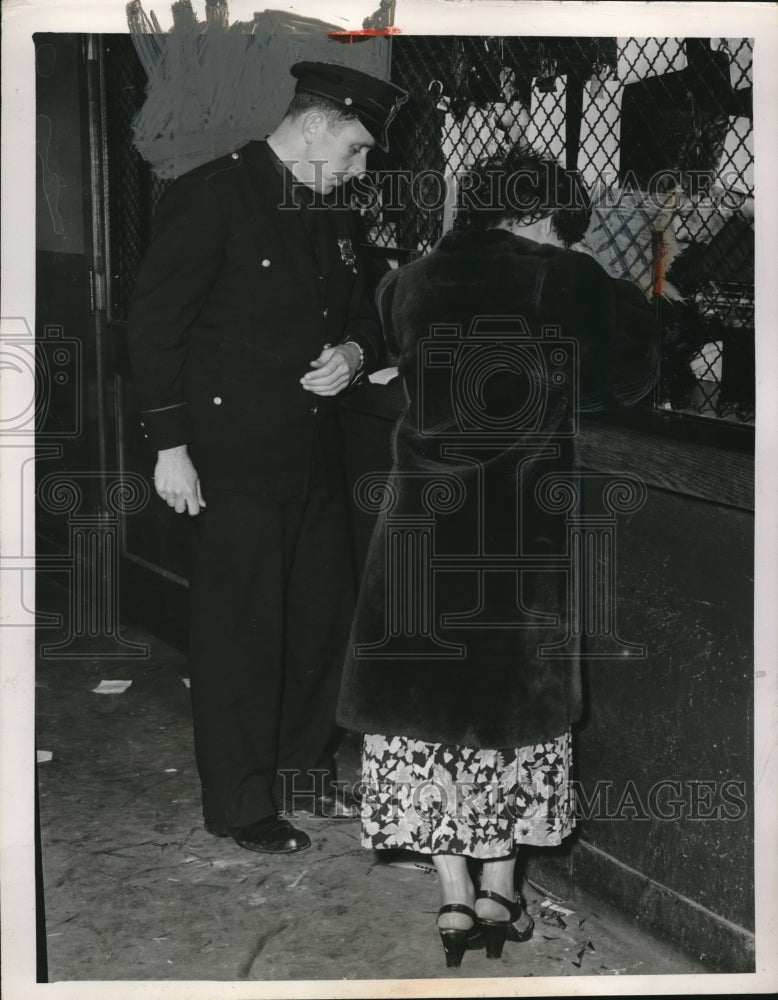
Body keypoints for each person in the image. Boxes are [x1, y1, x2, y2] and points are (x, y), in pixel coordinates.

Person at [337, 146, 659, 966]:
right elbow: (627, 380)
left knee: (426, 715)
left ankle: (451, 901)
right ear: (540, 215)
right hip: (515, 537)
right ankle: (499, 891)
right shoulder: (562, 277)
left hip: (418, 529)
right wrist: (605, 281)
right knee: (507, 715)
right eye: (560, 224)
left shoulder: (405, 280)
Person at [127, 62, 407, 855]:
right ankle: (241, 803)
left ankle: (299, 772)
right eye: (354, 150)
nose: (359, 170)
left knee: (321, 622)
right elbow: (154, 328)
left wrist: (354, 352)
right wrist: (169, 447)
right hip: (229, 457)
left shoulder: (330, 212)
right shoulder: (212, 195)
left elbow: (366, 312)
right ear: (315, 126)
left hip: (309, 454)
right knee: (242, 632)